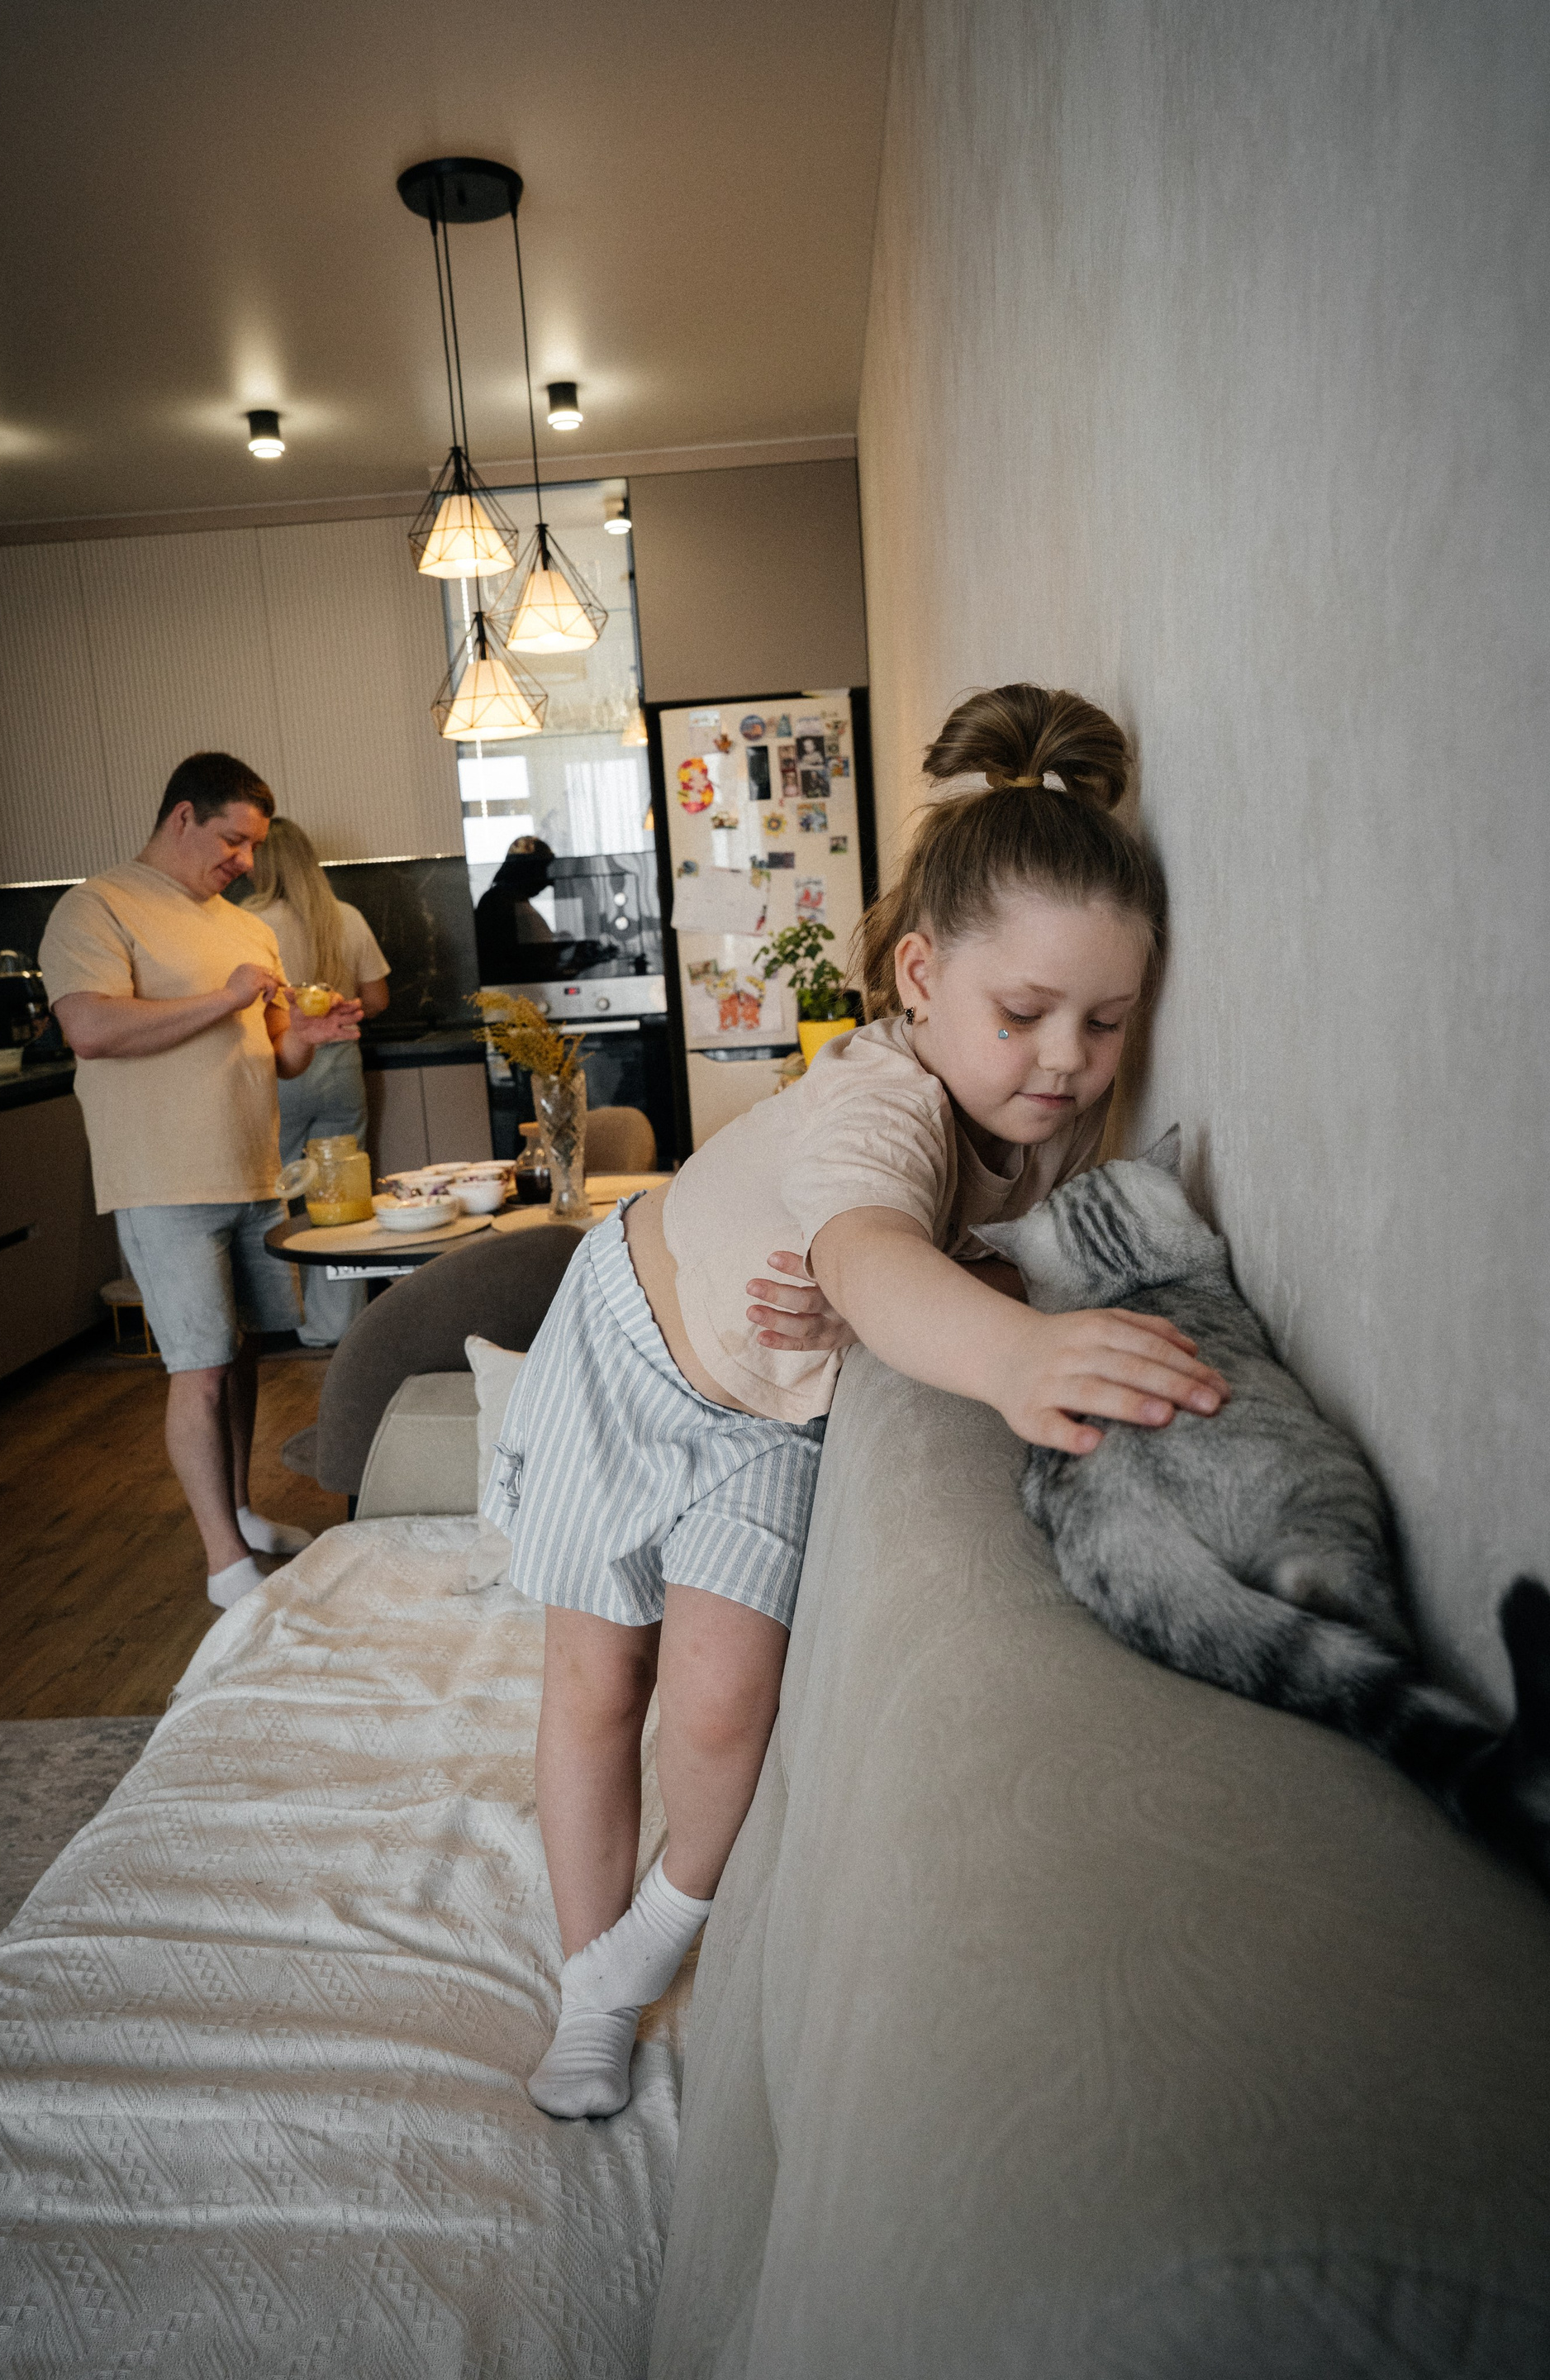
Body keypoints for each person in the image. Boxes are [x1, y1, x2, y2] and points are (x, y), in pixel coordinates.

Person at [487, 683, 1234, 2121]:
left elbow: (953, 1257)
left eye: (1107, 1022)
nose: (1067, 1060)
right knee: (599, 1681)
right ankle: (592, 1986)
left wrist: (977, 1295)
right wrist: (1013, 1361)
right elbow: (872, 1246)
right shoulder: (883, 1100)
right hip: (630, 1348)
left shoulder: (1046, 1118)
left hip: (777, 1411)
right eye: (1024, 1015)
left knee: (722, 1708)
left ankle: (651, 1937)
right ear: (918, 979)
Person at [40, 752, 364, 1611]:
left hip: (251, 1171)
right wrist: (225, 1000)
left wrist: (306, 1037)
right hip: (162, 1180)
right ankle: (225, 1565)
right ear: (182, 816)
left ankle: (243, 1514)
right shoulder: (97, 906)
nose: (246, 862)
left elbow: (275, 1056)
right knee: (201, 1367)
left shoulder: (246, 928)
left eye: (253, 846)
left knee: (243, 1354)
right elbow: (90, 1028)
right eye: (232, 841)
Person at [244, 817, 390, 1346]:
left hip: (281, 1067)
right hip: (340, 1068)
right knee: (341, 1193)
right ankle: (337, 1324)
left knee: (282, 1193)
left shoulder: (246, 924)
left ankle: (287, 1316)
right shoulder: (345, 917)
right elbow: (376, 1000)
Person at [473, 835, 616, 984]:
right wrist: (580, 960)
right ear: (528, 869)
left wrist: (561, 945)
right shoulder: (504, 903)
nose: (548, 880)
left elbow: (525, 953)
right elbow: (535, 974)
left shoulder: (501, 898)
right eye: (543, 869)